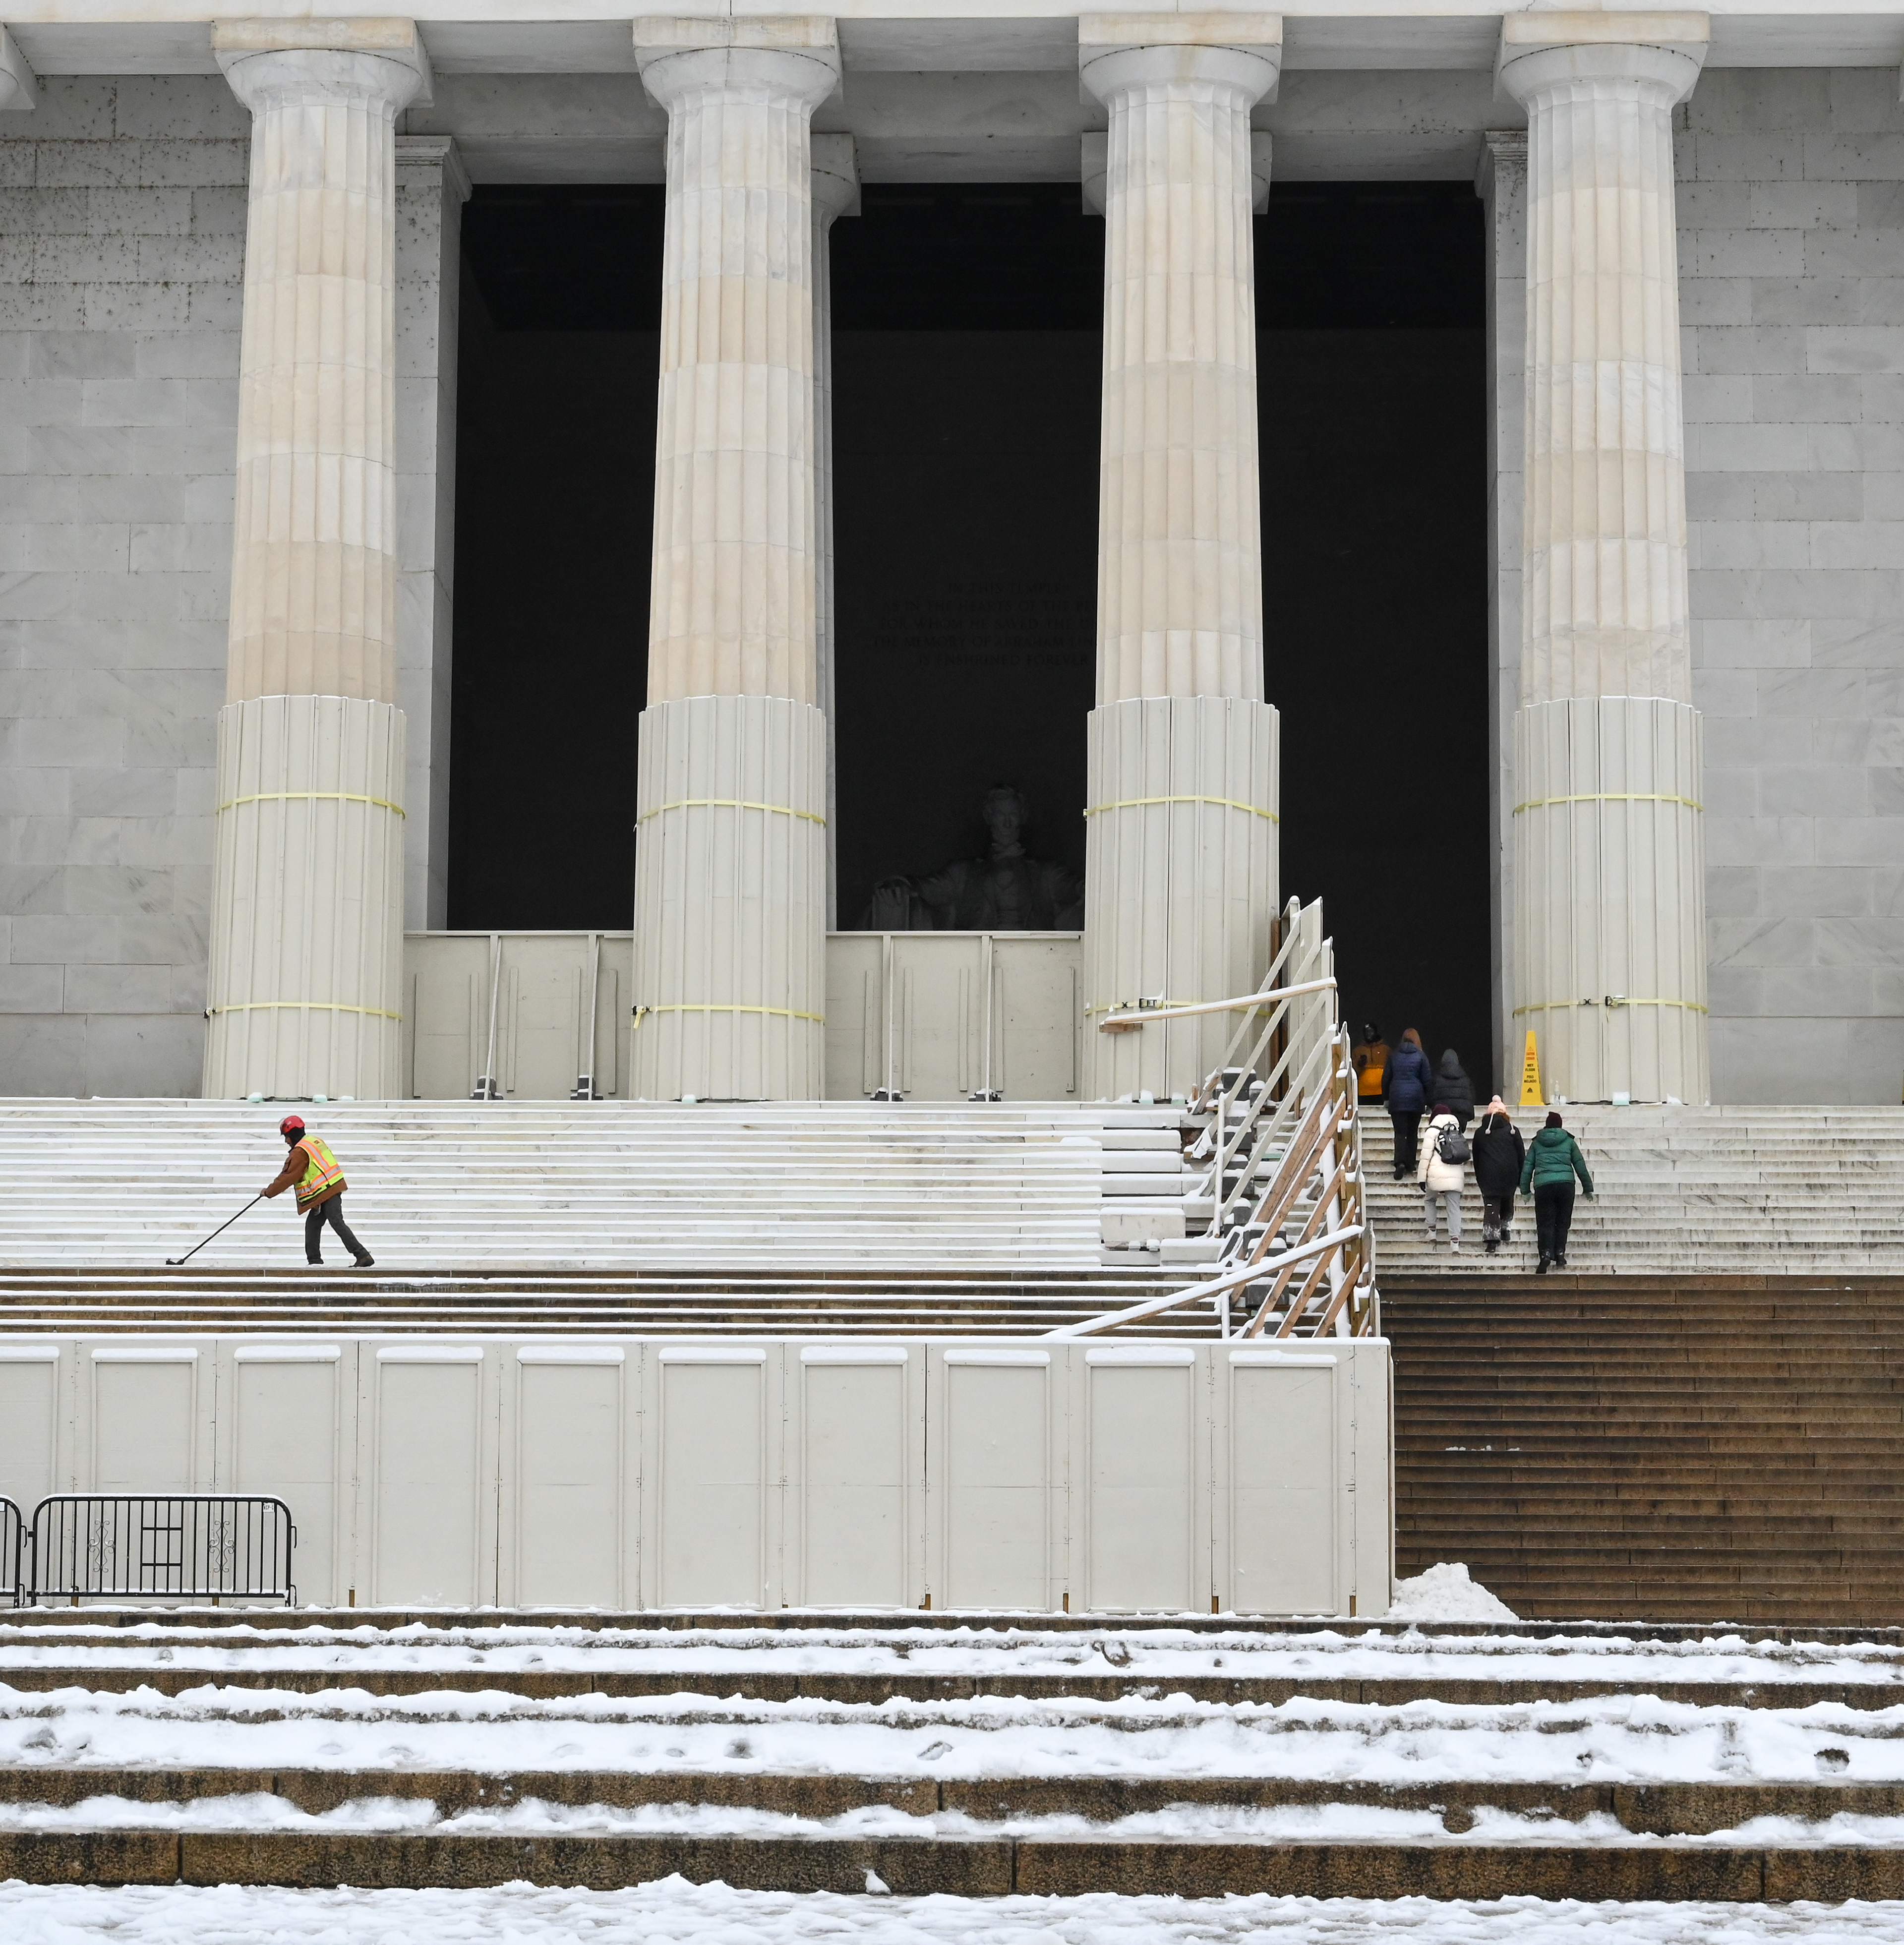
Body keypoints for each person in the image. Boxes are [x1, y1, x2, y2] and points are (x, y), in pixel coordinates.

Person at [263, 1114, 374, 1268]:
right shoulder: (313, 1141)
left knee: (336, 1221)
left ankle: (362, 1255)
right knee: (313, 1225)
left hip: (327, 1190)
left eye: (287, 1137)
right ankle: (315, 1261)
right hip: (326, 1190)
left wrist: (268, 1192)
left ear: (293, 1134)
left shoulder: (300, 1152)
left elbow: (287, 1177)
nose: (286, 1141)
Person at [1519, 1109, 1594, 1274]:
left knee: (1545, 1223)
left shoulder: (1537, 1143)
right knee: (1562, 1222)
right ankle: (1560, 1254)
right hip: (1566, 1186)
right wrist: (1588, 1187)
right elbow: (1580, 1165)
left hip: (1544, 1186)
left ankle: (1545, 1255)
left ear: (1546, 1126)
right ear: (1560, 1126)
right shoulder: (1568, 1142)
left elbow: (1527, 1167)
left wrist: (1525, 1189)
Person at [1471, 1095, 1525, 1254]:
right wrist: (1522, 1176)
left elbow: (1476, 1157)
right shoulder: (1513, 1131)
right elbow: (1521, 1155)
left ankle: (1492, 1240)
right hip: (1510, 1173)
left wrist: (1480, 1177)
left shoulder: (1481, 1133)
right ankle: (1506, 1229)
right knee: (1508, 1202)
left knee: (1491, 1206)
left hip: (1488, 1175)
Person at [1381, 1027, 1433, 1179]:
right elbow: (1427, 1081)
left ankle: (1399, 1163)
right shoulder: (1421, 1056)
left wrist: (1386, 1098)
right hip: (1416, 1099)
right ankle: (1410, 1163)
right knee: (1412, 1132)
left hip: (1397, 1099)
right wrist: (1429, 1101)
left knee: (1400, 1132)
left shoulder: (1394, 1055)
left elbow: (1386, 1078)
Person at [1417, 1100, 1466, 1252]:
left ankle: (1432, 1231)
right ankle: (1455, 1242)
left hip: (1435, 1173)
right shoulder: (1458, 1131)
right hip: (1455, 1173)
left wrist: (1421, 1179)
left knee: (1430, 1199)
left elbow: (1425, 1157)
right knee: (1454, 1207)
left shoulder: (1431, 1131)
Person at [1434, 1048, 1476, 1129]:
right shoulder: (1465, 1078)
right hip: (1461, 1115)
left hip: (1442, 1115)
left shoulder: (1437, 1078)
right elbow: (1472, 1096)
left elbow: (1431, 1095)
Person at [1352, 1023, 1390, 1104]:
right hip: (1363, 1093)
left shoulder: (1386, 1049)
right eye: (1366, 1032)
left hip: (1382, 1092)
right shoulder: (1358, 1051)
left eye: (1371, 1031)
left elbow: (1391, 1069)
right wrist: (1360, 1064)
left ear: (1376, 1032)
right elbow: (1353, 1072)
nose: (1368, 1034)